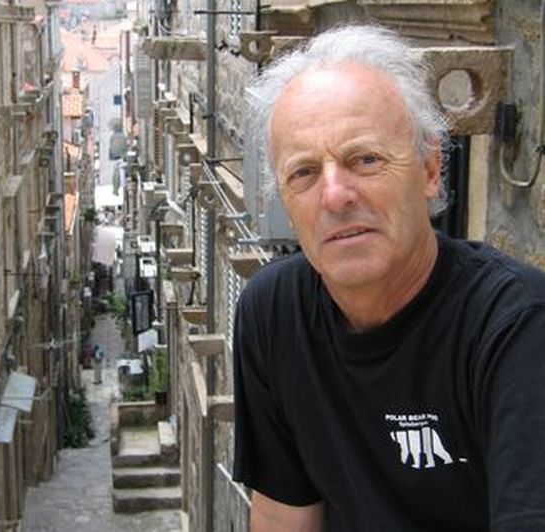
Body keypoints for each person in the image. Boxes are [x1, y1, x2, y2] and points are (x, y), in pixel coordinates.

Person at [232, 25, 545, 531]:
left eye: (365, 159)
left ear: (430, 170)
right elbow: (282, 516)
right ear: (284, 201)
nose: (335, 196)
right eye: (304, 172)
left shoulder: (515, 328)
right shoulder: (273, 313)